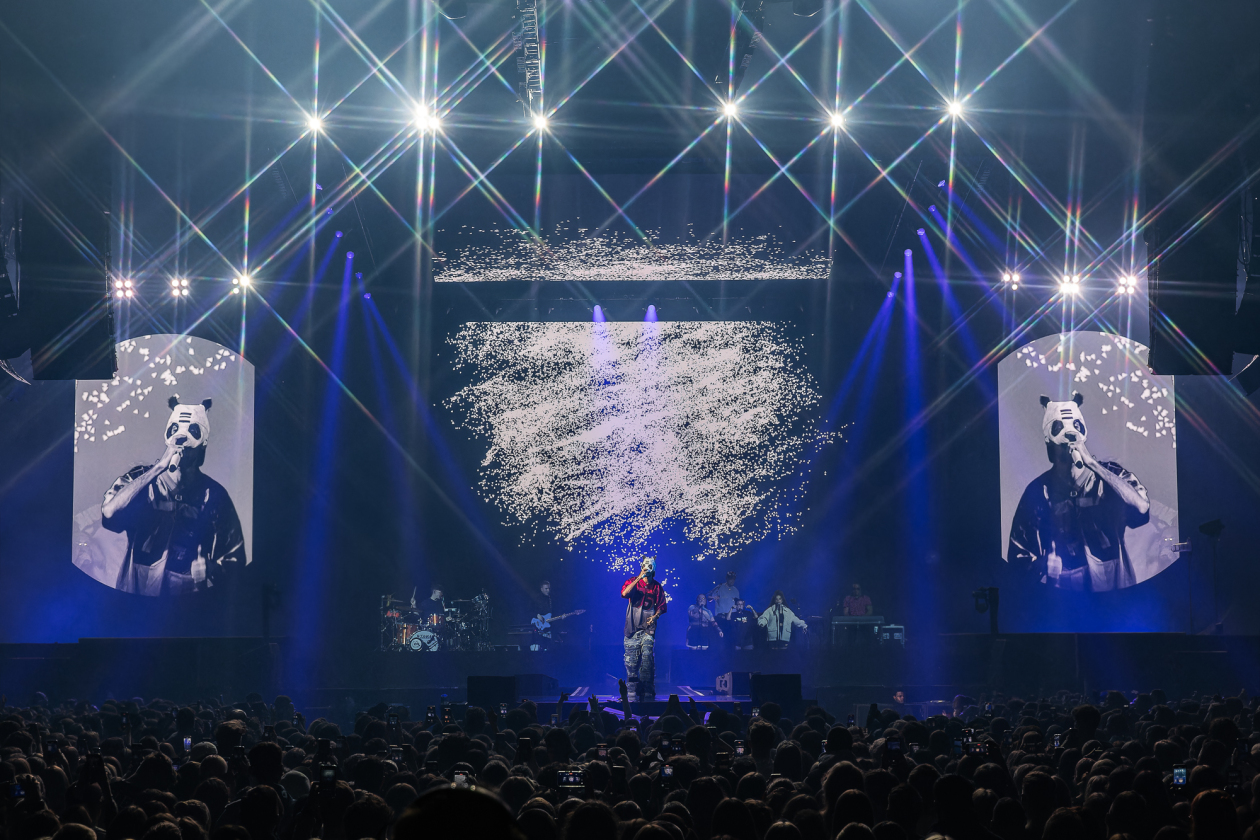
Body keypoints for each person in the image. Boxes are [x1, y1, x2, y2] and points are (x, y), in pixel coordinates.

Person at [101, 397, 246, 596]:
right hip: (134, 602)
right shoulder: (140, 479)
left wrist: (211, 569)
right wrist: (159, 467)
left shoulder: (215, 496)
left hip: (182, 609)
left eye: (191, 433)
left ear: (203, 443)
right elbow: (110, 514)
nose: (182, 441)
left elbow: (235, 562)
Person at [1008, 392, 1151, 591]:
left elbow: (1141, 509)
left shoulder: (1111, 475)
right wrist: (1042, 564)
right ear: (1050, 447)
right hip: (1068, 603)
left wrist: (1093, 464)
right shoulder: (1038, 492)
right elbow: (1017, 558)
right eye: (1062, 445)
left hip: (1116, 596)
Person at [620, 556, 667, 702]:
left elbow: (661, 606)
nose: (647, 568)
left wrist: (655, 617)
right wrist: (638, 577)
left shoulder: (657, 586)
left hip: (648, 627)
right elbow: (624, 593)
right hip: (632, 626)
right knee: (631, 662)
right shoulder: (632, 581)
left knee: (647, 658)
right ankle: (632, 691)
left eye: (650, 565)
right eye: (645, 565)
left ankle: (648, 691)